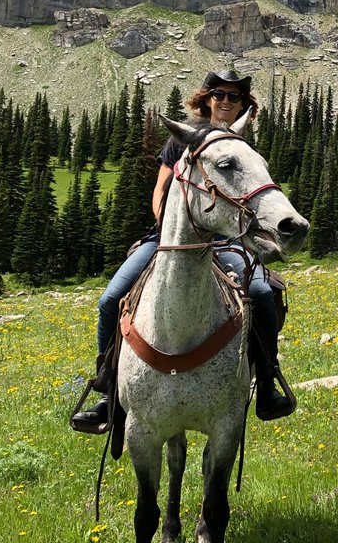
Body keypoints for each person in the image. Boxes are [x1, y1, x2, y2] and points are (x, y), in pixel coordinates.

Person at [70, 69, 293, 432]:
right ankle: (109, 391)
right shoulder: (182, 140)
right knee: (111, 299)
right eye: (219, 94)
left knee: (261, 294)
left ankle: (267, 382)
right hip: (171, 240)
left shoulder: (241, 148)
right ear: (206, 98)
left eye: (234, 97)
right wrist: (169, 230)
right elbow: (160, 192)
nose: (225, 101)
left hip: (228, 240)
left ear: (243, 105)